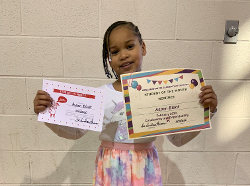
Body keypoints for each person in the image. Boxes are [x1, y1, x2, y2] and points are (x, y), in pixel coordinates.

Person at [33, 21, 218, 186]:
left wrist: (206, 112)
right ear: (109, 59)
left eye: (129, 46)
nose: (123, 55)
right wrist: (48, 115)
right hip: (110, 167)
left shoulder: (161, 93)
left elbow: (177, 139)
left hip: (145, 168)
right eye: (114, 51)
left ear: (143, 47)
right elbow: (76, 132)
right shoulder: (100, 95)